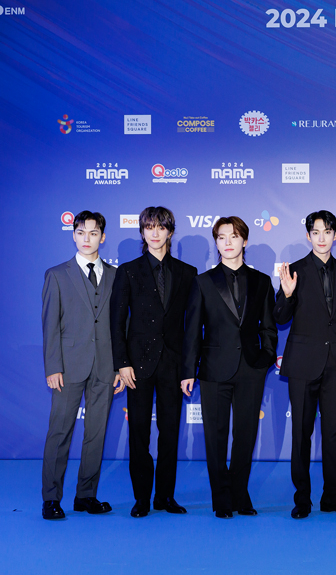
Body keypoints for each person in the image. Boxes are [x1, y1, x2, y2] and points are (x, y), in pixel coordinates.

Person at [180, 216, 277, 519]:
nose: (228, 242)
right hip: (213, 369)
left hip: (251, 367)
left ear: (244, 241)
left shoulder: (261, 281)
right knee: (215, 436)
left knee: (246, 435)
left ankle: (240, 494)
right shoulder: (203, 282)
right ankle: (221, 498)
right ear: (216, 242)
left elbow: (269, 327)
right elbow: (193, 330)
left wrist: (266, 358)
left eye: (234, 236)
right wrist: (188, 370)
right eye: (221, 237)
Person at [110, 207, 197, 518]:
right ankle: (142, 498)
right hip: (137, 365)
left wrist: (189, 370)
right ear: (142, 232)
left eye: (161, 227)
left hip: (173, 365)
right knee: (139, 436)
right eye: (149, 227)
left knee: (171, 434)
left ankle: (165, 497)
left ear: (170, 232)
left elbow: (192, 326)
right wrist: (121, 362)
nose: (155, 233)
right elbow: (117, 321)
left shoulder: (188, 273)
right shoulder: (128, 271)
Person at [274, 210, 336, 519]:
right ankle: (302, 499)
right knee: (301, 434)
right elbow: (280, 318)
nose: (321, 237)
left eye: (327, 232)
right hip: (302, 365)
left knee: (334, 434)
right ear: (308, 236)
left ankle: (333, 497)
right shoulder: (294, 270)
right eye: (316, 232)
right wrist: (286, 294)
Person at [41, 211, 121, 520]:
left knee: (96, 433)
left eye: (93, 233)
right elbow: (50, 325)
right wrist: (52, 366)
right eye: (81, 232)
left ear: (103, 236)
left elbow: (120, 325)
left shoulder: (116, 276)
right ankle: (51, 498)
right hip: (68, 367)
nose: (87, 238)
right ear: (73, 235)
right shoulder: (57, 275)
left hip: (105, 365)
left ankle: (86, 495)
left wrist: (118, 367)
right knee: (60, 432)